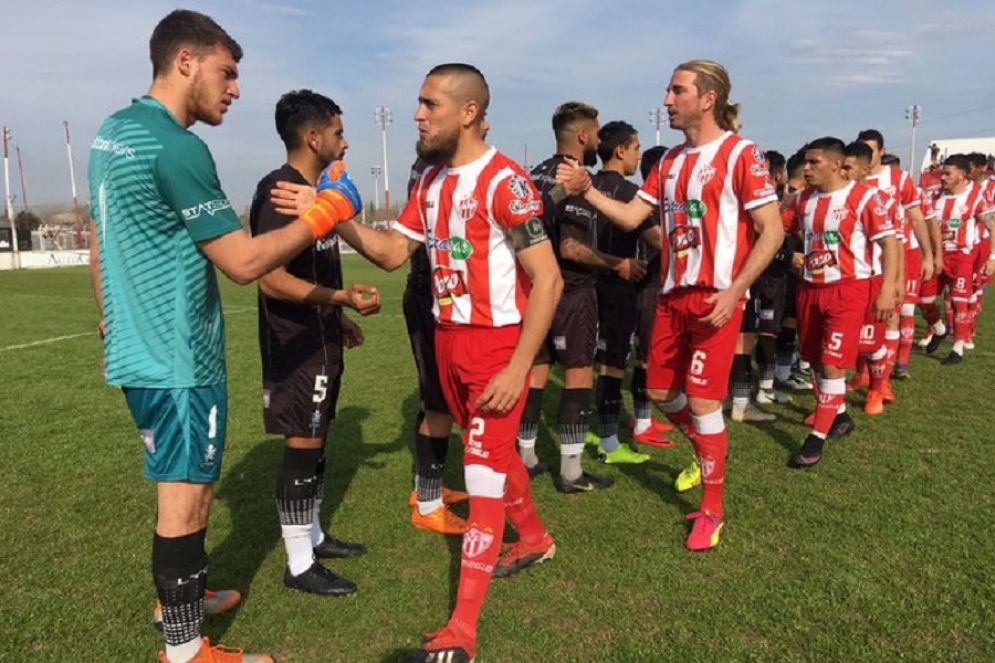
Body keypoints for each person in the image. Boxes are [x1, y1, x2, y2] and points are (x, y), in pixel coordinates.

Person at [87, 10, 361, 663]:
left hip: (136, 346)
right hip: (179, 353)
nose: (235, 89)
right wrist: (328, 208)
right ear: (185, 61)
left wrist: (111, 316)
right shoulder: (178, 146)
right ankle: (185, 650)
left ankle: (178, 599)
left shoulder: (112, 132)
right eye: (227, 72)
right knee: (186, 493)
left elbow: (100, 236)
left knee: (180, 483)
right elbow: (243, 263)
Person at [274, 62, 562, 663]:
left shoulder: (505, 182)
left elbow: (549, 280)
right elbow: (387, 254)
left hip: (494, 346)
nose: (418, 115)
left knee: (481, 478)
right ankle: (533, 538)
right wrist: (329, 211)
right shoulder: (429, 183)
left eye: (430, 104)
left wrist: (517, 368)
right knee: (498, 455)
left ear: (469, 112)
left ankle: (461, 636)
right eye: (418, 103)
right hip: (447, 340)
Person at [557, 59, 784, 550]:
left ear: (708, 99)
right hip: (671, 296)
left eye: (677, 91)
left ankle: (712, 508)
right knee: (661, 394)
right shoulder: (671, 163)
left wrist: (734, 290)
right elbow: (631, 216)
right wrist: (587, 190)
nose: (667, 99)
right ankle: (707, 450)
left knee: (703, 401)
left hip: (715, 298)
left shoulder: (742, 155)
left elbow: (773, 231)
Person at [250, 90, 377, 597]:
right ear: (313, 136)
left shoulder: (313, 192)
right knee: (301, 447)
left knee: (317, 441)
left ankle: (315, 536)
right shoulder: (280, 191)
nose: (344, 140)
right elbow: (269, 277)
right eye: (339, 132)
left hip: (321, 335)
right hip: (294, 345)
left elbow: (314, 264)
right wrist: (339, 295)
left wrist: (336, 313)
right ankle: (298, 563)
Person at [519, 101, 643, 492]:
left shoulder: (532, 173)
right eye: (598, 131)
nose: (601, 138)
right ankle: (571, 472)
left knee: (536, 373)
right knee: (577, 374)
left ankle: (526, 456)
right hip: (570, 292)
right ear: (583, 136)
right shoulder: (572, 177)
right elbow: (572, 248)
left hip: (533, 291)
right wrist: (615, 264)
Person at [783, 137, 899, 468]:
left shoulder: (863, 198)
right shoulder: (803, 200)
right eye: (805, 162)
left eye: (814, 162)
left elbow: (890, 244)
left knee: (833, 363)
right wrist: (787, 252)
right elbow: (779, 229)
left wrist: (888, 288)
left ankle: (815, 440)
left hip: (848, 290)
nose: (806, 168)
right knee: (817, 361)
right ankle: (842, 416)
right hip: (810, 289)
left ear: (836, 164)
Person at [403, 157, 470, 535]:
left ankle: (427, 489)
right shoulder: (432, 168)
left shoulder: (436, 168)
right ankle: (428, 505)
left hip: (438, 293)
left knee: (436, 397)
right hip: (431, 294)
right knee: (438, 401)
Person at [588, 121, 660, 461]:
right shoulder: (630, 194)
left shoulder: (585, 186)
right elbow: (658, 240)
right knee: (615, 363)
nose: (638, 155)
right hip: (618, 287)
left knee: (591, 362)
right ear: (620, 151)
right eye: (635, 148)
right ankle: (608, 442)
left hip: (584, 287)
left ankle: (589, 430)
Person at [856, 130, 935, 380]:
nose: (867, 156)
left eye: (871, 150)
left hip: (899, 254)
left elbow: (916, 217)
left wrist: (928, 255)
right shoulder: (853, 178)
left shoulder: (899, 179)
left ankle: (893, 368)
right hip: (864, 258)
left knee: (895, 314)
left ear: (881, 151)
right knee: (863, 317)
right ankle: (863, 372)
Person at [920, 154, 995, 364]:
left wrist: (992, 258)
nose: (942, 177)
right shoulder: (934, 197)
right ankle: (940, 328)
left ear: (962, 176)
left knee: (959, 300)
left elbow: (992, 226)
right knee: (924, 299)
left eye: (947, 173)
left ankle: (958, 347)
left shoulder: (976, 197)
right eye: (942, 172)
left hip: (961, 256)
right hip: (936, 256)